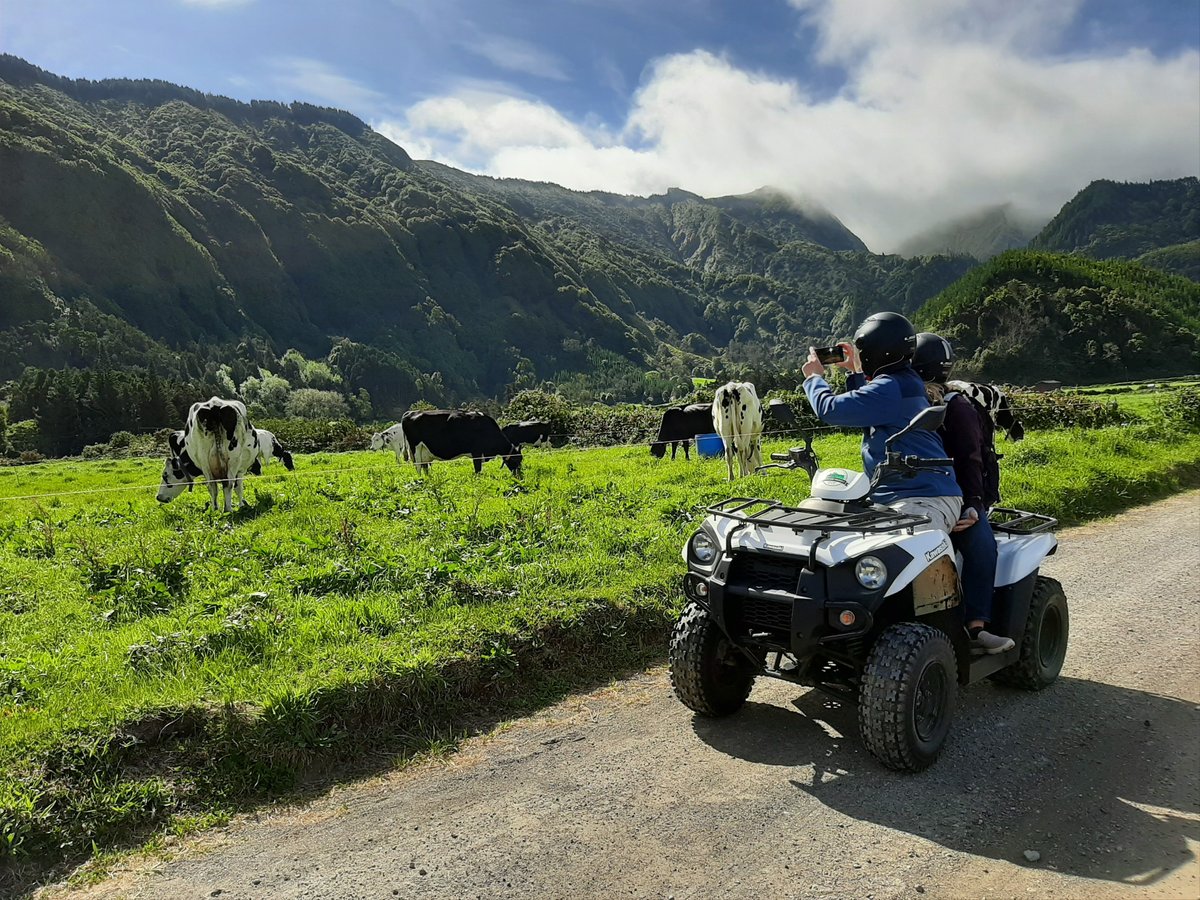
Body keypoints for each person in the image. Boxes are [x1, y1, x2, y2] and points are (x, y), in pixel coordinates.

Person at [800, 311, 962, 534]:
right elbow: (869, 408)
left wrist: (813, 378)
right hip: (897, 495)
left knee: (896, 554)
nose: (862, 355)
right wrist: (856, 372)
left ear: (876, 351)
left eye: (863, 351)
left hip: (923, 498)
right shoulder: (902, 381)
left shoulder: (891, 387)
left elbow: (830, 409)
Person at [911, 332, 1015, 653]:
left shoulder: (956, 409)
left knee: (981, 545)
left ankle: (976, 627)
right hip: (910, 493)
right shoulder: (903, 402)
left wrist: (972, 505)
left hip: (954, 496)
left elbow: (970, 459)